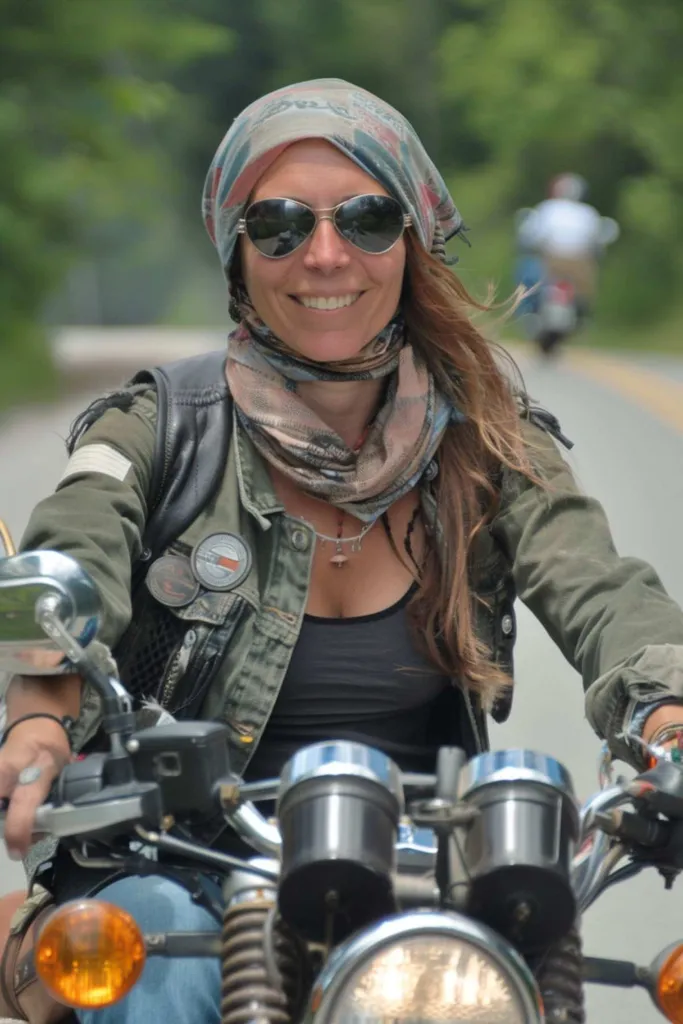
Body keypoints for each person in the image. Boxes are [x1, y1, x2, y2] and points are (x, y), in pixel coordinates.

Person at [0, 78, 682, 1023]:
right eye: (280, 223)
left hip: (424, 888)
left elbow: (602, 587)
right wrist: (39, 711)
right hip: (186, 873)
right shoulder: (157, 428)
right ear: (239, 252)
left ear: (409, 240)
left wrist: (667, 716)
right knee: (155, 963)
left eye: (365, 219)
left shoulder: (488, 439)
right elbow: (75, 548)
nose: (325, 254)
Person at [515, 172, 619, 316]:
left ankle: (526, 312)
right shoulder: (588, 213)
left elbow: (532, 237)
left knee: (528, 274)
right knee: (585, 298)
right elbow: (597, 241)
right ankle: (581, 316)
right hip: (581, 265)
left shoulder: (547, 208)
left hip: (551, 263)